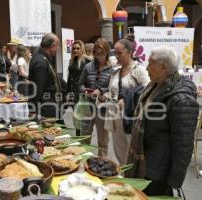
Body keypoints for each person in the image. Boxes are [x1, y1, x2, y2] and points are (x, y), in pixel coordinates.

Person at [126, 46, 199, 197]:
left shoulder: (182, 100)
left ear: (163, 67)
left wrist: (175, 181)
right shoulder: (155, 86)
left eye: (150, 63)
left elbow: (183, 146)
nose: (146, 68)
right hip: (145, 164)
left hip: (158, 172)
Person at [106, 34, 150, 165]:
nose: (116, 56)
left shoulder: (139, 70)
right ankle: (124, 179)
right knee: (119, 151)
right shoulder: (115, 71)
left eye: (119, 53)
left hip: (131, 117)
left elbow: (148, 91)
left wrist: (128, 99)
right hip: (115, 116)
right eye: (115, 52)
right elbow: (112, 91)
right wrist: (105, 96)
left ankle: (133, 179)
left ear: (130, 52)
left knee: (132, 151)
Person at [78, 38, 113, 156]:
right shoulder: (88, 67)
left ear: (107, 53)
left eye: (102, 54)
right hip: (88, 106)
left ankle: (101, 165)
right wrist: (85, 90)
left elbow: (113, 88)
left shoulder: (112, 69)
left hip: (103, 108)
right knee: (84, 137)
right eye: (96, 54)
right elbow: (80, 84)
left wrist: (102, 91)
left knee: (103, 140)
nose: (99, 57)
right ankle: (83, 163)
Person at [29, 33, 61, 118]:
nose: (58, 49)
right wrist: (32, 110)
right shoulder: (41, 62)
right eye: (57, 46)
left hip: (48, 106)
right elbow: (37, 88)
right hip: (45, 108)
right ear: (53, 46)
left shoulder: (43, 58)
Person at [67, 40, 91, 136]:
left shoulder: (87, 61)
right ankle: (78, 137)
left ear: (82, 49)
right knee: (76, 117)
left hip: (83, 92)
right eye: (74, 48)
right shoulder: (72, 61)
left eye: (78, 48)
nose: (75, 50)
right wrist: (68, 92)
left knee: (83, 118)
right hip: (74, 92)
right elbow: (70, 78)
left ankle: (84, 138)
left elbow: (90, 77)